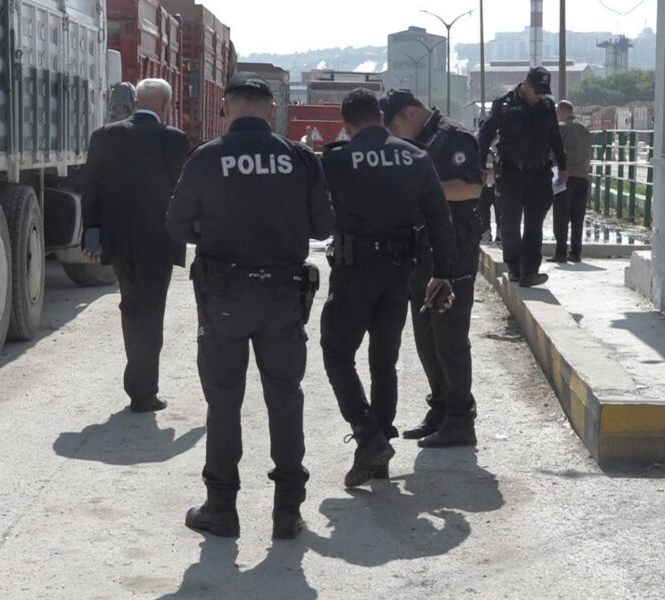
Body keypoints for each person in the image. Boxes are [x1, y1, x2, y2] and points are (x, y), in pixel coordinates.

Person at [167, 72, 334, 539]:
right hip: (283, 294)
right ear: (271, 109)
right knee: (285, 398)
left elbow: (176, 226)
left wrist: (215, 231)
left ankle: (222, 508)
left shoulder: (207, 157)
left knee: (223, 401)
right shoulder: (299, 158)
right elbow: (323, 227)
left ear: (226, 107)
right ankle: (287, 512)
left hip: (224, 293)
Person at [319, 89, 457, 488]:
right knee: (384, 359)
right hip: (399, 271)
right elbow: (440, 218)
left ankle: (368, 435)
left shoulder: (337, 159)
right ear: (381, 118)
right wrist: (443, 273)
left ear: (347, 126)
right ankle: (377, 457)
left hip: (353, 270)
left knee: (337, 353)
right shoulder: (416, 156)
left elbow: (316, 215)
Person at [379, 89, 484, 449]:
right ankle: (440, 407)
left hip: (453, 252)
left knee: (450, 338)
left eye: (395, 126)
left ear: (411, 112)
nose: (393, 134)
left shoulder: (453, 137)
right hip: (420, 251)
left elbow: (471, 187)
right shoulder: (413, 142)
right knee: (426, 338)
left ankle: (460, 419)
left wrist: (424, 189)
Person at [81, 79, 189, 414]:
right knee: (151, 312)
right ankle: (143, 392)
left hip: (118, 240)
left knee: (131, 307)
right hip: (159, 242)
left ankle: (138, 383)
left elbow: (90, 189)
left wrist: (92, 237)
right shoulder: (174, 140)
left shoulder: (104, 136)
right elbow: (184, 192)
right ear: (165, 105)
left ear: (136, 101)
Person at [478, 66, 568, 288]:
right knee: (510, 222)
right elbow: (485, 135)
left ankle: (530, 271)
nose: (539, 95)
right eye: (536, 90)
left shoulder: (547, 106)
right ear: (525, 83)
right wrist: (479, 166)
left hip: (539, 173)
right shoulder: (504, 105)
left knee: (534, 225)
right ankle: (514, 268)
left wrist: (563, 166)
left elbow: (555, 136)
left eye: (543, 91)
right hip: (511, 173)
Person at [548, 100, 593, 263]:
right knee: (577, 218)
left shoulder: (561, 127)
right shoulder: (585, 129)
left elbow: (552, 151)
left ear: (560, 111)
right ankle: (576, 252)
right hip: (583, 177)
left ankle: (560, 252)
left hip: (564, 177)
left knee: (561, 216)